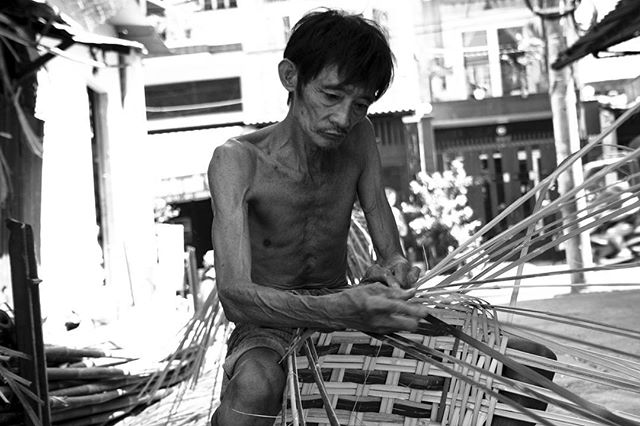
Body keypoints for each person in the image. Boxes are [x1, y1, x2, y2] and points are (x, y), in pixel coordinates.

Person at [207, 9, 425, 426]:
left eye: (360, 104)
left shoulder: (360, 139)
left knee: (508, 363)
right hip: (266, 322)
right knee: (256, 385)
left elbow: (390, 252)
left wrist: (395, 272)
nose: (344, 118)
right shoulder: (237, 161)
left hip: (343, 303)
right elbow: (235, 296)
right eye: (331, 96)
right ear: (291, 77)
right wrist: (337, 311)